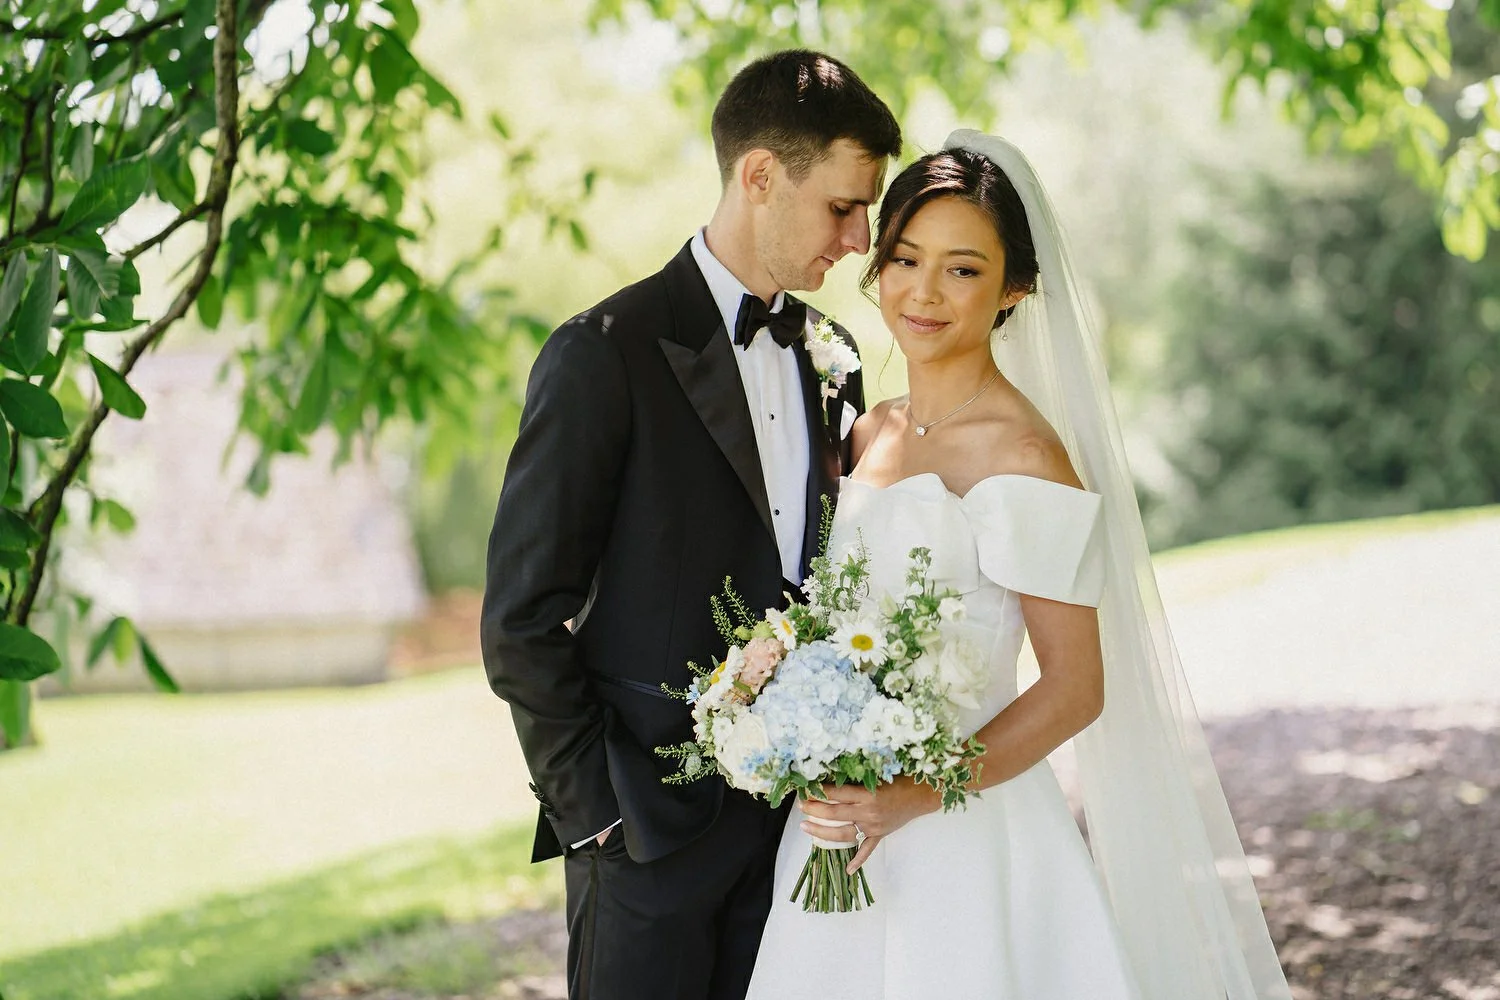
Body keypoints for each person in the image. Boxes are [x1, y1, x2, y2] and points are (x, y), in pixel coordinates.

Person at [746, 132, 1292, 999]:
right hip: (841, 835)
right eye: (905, 258)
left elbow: (1076, 687)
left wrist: (916, 795)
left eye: (962, 269)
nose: (923, 292)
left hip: (970, 839)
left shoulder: (1027, 455)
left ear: (1016, 288)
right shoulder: (867, 432)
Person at [480, 50, 901, 1000]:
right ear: (759, 177)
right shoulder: (603, 355)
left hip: (796, 841)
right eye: (843, 206)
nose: (861, 237)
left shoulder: (829, 356)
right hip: (645, 842)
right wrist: (599, 818)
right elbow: (519, 621)